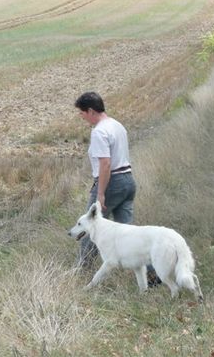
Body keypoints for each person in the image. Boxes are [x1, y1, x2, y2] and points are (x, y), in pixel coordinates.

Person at [74, 92, 160, 286]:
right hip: (128, 181)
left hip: (110, 183)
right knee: (130, 234)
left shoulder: (98, 131)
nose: (82, 117)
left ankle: (81, 271)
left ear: (90, 110)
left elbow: (105, 163)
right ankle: (153, 274)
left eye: (82, 113)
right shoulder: (117, 126)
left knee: (90, 226)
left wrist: (101, 193)